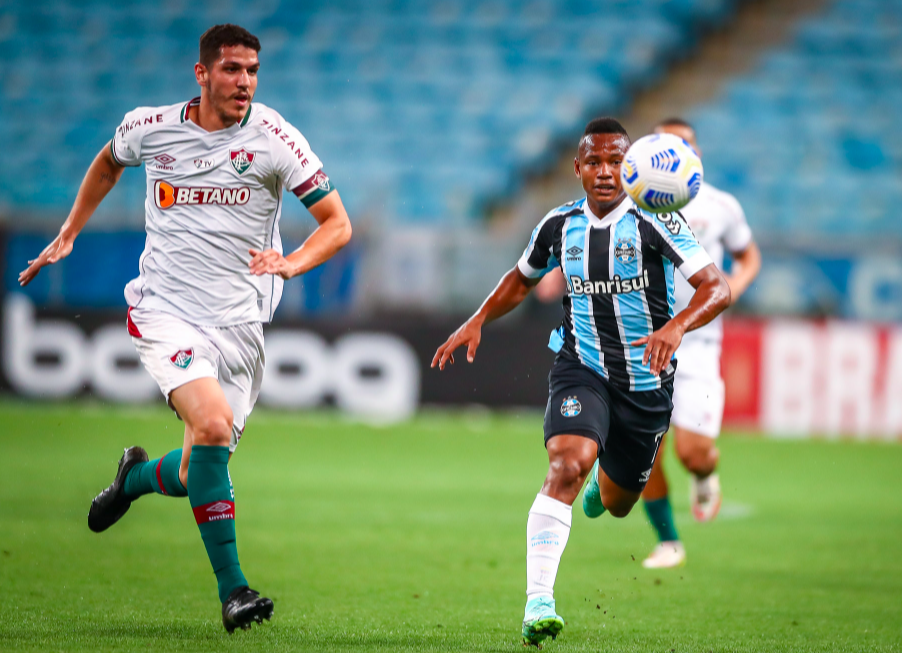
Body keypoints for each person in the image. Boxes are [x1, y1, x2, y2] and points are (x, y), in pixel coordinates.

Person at [18, 24, 352, 633]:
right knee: (212, 424)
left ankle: (135, 479)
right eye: (230, 69)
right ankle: (234, 591)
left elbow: (336, 224)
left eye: (252, 70)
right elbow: (107, 161)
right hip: (165, 311)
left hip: (242, 322)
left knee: (206, 457)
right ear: (201, 74)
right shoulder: (150, 127)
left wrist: (292, 261)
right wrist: (70, 230)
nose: (244, 81)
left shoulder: (276, 138)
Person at [432, 117, 731, 647]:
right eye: (594, 161)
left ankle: (604, 483)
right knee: (565, 463)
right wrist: (478, 317)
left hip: (646, 385)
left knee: (616, 504)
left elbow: (717, 287)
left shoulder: (655, 221)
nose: (605, 172)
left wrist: (676, 325)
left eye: (616, 161)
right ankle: (538, 602)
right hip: (582, 368)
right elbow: (521, 279)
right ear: (577, 168)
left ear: (631, 167)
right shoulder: (558, 224)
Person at [639, 118, 761, 569]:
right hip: (643, 343)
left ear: (697, 154)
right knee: (646, 447)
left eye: (683, 143)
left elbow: (749, 255)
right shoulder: (632, 203)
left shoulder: (721, 206)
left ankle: (705, 473)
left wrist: (734, 285)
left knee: (692, 452)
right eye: (663, 143)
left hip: (699, 345)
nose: (673, 150)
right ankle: (668, 541)